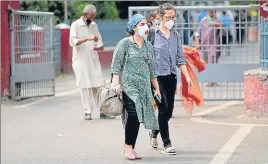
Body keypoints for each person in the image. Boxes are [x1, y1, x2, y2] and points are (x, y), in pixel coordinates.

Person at [110, 14, 161, 160]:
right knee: (133, 113)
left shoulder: (148, 46)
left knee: (137, 117)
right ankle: (128, 147)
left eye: (146, 23)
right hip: (128, 86)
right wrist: (115, 83)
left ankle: (131, 146)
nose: (146, 27)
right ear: (134, 27)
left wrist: (156, 87)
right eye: (142, 24)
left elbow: (152, 70)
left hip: (144, 87)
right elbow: (116, 65)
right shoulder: (125, 43)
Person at [147, 3, 193, 155]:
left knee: (169, 111)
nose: (171, 20)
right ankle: (167, 144)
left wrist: (187, 76)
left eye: (173, 17)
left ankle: (154, 132)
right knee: (163, 108)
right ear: (160, 17)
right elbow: (145, 57)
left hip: (171, 76)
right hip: (156, 77)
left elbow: (181, 58)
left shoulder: (176, 35)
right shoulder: (152, 34)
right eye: (168, 17)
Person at [69, 4, 115, 120]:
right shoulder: (76, 25)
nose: (92, 19)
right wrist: (88, 38)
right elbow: (73, 42)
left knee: (99, 85)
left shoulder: (94, 25)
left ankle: (103, 111)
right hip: (80, 62)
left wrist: (98, 45)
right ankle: (87, 112)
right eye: (90, 17)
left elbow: (100, 44)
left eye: (93, 17)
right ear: (84, 15)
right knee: (85, 86)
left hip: (93, 60)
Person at [195, 10, 221, 87]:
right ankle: (212, 79)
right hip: (204, 45)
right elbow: (197, 32)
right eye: (210, 11)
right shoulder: (204, 20)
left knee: (211, 61)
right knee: (206, 63)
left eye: (212, 11)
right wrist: (197, 42)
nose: (211, 13)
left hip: (214, 45)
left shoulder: (217, 21)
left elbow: (223, 33)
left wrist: (220, 26)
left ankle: (211, 81)